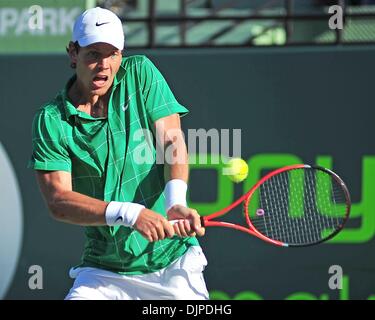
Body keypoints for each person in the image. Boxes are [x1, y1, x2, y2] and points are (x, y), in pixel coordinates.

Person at [28, 7, 208, 300]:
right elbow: (58, 201)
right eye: (93, 54)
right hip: (103, 272)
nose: (104, 65)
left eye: (112, 54)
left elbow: (172, 143)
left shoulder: (140, 73)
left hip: (173, 266)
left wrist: (176, 202)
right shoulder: (51, 119)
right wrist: (130, 213)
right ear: (73, 53)